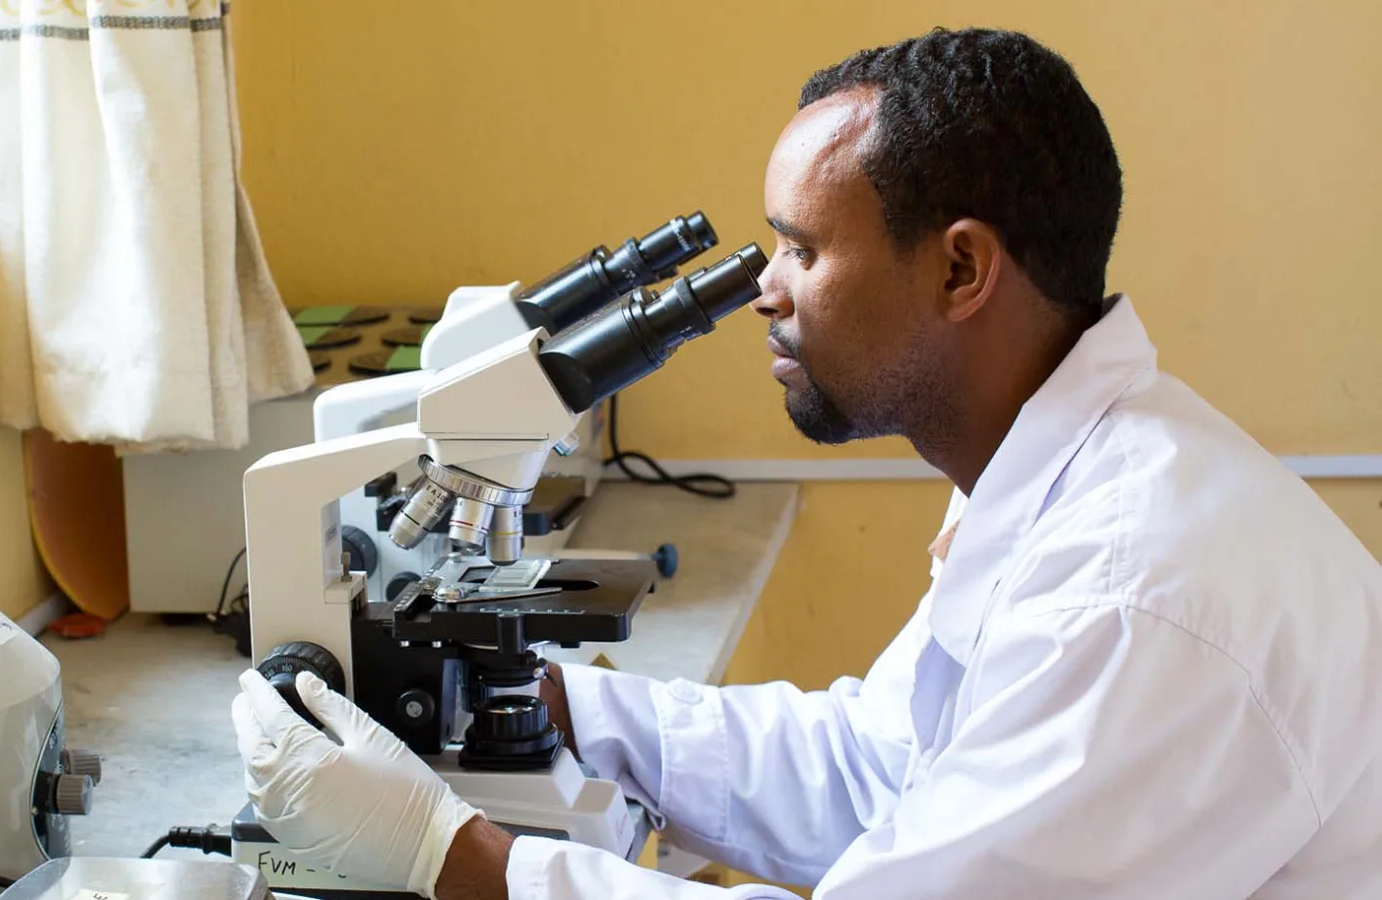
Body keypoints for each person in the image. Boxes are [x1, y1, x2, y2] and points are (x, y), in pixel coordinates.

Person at [230, 27, 1382, 900]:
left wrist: (451, 858)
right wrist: (561, 703)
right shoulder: (1077, 477)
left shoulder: (1135, 594)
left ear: (960, 271)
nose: (766, 291)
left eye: (802, 248)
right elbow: (881, 766)